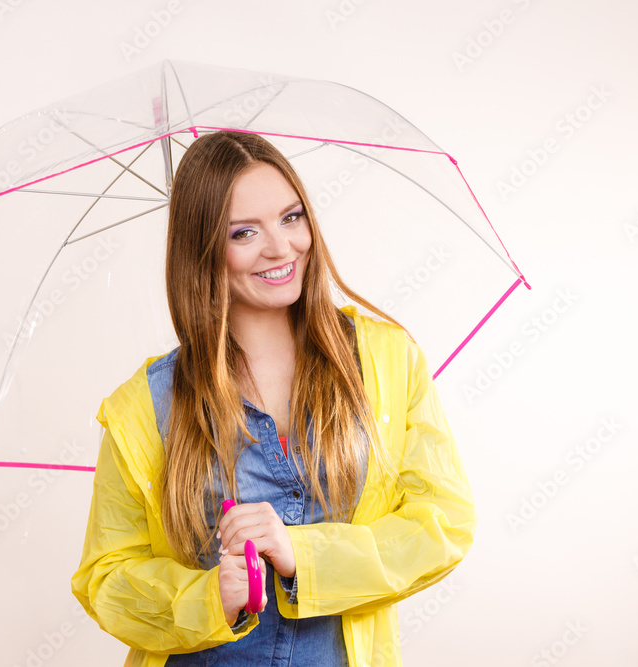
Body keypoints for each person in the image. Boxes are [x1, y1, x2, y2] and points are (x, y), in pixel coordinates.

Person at [71, 130, 476, 666]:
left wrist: (302, 555)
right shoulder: (146, 404)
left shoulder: (385, 360)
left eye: (291, 217)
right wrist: (208, 597)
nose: (281, 248)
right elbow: (107, 577)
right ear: (202, 249)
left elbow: (443, 521)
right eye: (244, 232)